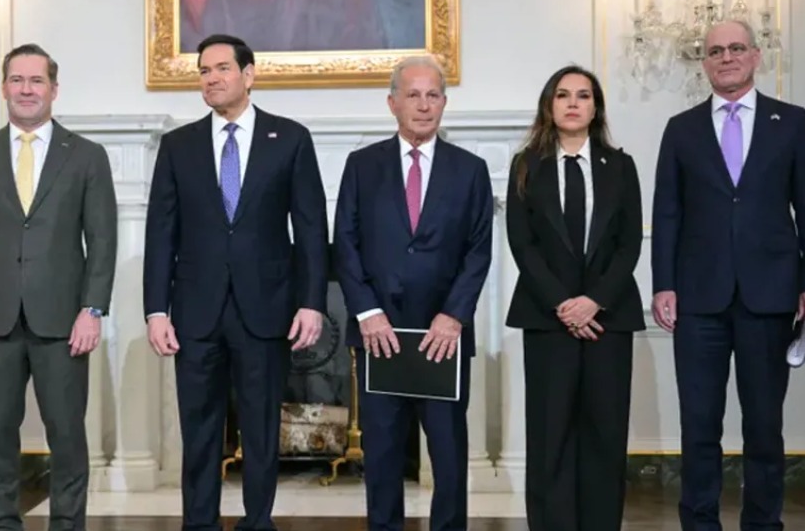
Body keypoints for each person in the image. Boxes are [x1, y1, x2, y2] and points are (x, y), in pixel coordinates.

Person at [142, 33, 328, 530]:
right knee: (199, 430)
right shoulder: (178, 145)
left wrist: (312, 302)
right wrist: (156, 310)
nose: (211, 78)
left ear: (249, 75)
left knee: (262, 427)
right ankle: (199, 522)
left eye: (222, 68)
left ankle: (257, 522)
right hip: (195, 311)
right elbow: (161, 231)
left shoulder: (290, 138)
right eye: (204, 71)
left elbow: (311, 228)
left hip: (266, 308)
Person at [0, 43, 117, 530]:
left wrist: (92, 310)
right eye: (17, 80)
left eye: (36, 80)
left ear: (54, 89)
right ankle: (1, 523)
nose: (26, 89)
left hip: (64, 323)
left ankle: (67, 524)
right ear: (4, 87)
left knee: (67, 437)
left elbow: (102, 240)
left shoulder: (87, 156)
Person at [652, 19, 805, 529]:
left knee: (764, 427)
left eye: (737, 48)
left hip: (771, 295)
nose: (727, 57)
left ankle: (763, 524)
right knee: (699, 427)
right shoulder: (682, 128)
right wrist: (663, 283)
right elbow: (667, 212)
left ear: (756, 56)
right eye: (716, 51)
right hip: (698, 299)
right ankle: (700, 523)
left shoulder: (794, 123)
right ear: (705, 63)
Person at [333, 55, 493, 531]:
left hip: (443, 338)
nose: (424, 106)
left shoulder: (471, 169)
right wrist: (366, 312)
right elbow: (345, 242)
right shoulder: (362, 165)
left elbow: (479, 250)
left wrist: (454, 315)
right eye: (413, 95)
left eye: (433, 95)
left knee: (448, 456)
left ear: (444, 102)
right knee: (382, 455)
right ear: (392, 103)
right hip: (380, 336)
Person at [504, 65, 645, 531]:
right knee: (551, 435)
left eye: (583, 95)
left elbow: (629, 243)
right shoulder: (526, 165)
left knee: (605, 434)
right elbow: (522, 244)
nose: (572, 103)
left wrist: (593, 301)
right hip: (548, 319)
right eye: (563, 95)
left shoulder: (620, 165)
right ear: (549, 105)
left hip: (609, 320)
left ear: (595, 107)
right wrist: (564, 304)